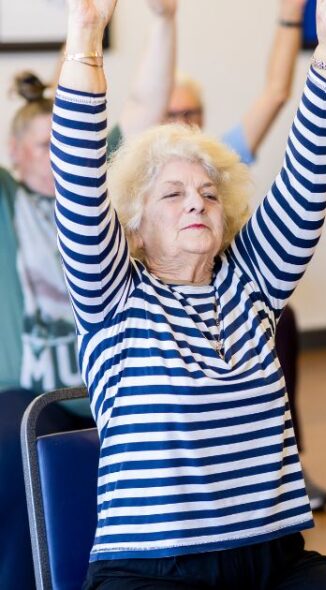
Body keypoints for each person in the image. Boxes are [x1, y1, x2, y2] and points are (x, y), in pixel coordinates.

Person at [52, 0, 326, 587]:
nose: (196, 200)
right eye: (172, 195)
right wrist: (86, 38)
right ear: (134, 227)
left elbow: (308, 173)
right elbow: (76, 174)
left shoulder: (251, 283)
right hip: (153, 570)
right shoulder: (113, 299)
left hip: (276, 560)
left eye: (208, 193)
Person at [124, 0, 326, 511]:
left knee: (278, 322)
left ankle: (284, 462)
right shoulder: (134, 174)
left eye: (190, 113)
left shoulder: (216, 162)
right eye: (170, 113)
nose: (195, 199)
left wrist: (300, 22)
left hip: (229, 303)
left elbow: (279, 97)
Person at [0, 3, 179, 588]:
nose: (56, 155)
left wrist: (163, 23)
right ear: (15, 151)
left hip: (106, 383)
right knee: (18, 459)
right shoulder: (6, 198)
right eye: (42, 143)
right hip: (23, 393)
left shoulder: (93, 194)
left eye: (63, 143)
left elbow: (144, 111)